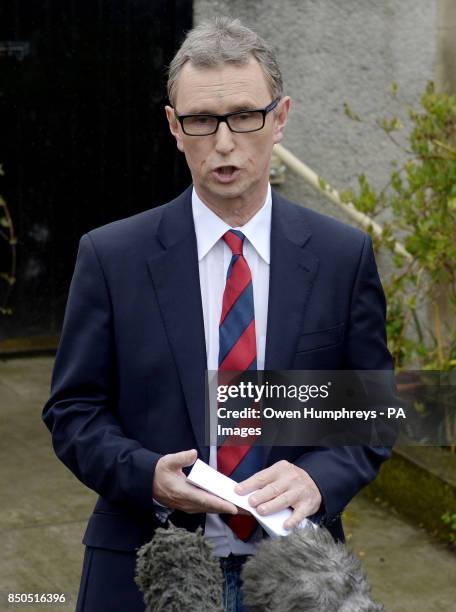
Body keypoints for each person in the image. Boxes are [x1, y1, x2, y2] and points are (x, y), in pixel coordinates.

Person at [42, 17, 393, 612]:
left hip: (299, 576)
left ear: (279, 118)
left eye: (245, 117)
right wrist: (147, 474)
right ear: (175, 128)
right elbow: (74, 411)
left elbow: (371, 411)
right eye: (203, 121)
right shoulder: (112, 256)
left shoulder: (341, 255)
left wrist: (317, 480)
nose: (224, 142)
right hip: (145, 568)